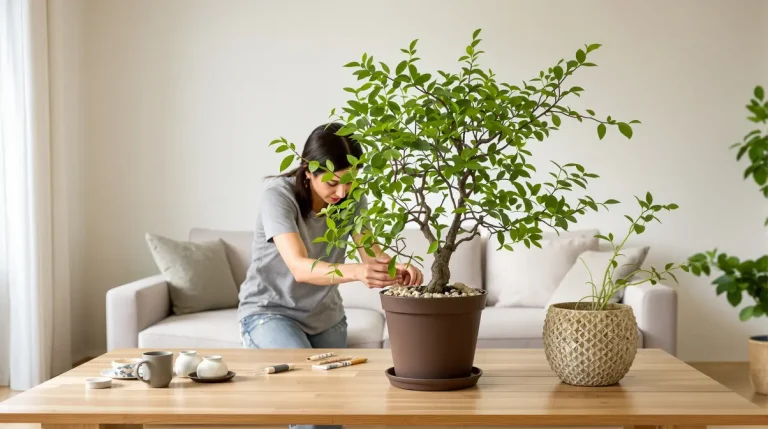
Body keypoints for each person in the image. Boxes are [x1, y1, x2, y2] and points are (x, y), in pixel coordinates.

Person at [238, 123, 424, 424]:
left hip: (326, 317)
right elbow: (299, 267)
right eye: (334, 183)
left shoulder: (351, 197)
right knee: (307, 406)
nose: (343, 192)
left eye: (350, 182)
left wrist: (395, 268)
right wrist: (358, 272)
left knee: (331, 413)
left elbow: (370, 251)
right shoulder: (278, 196)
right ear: (308, 171)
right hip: (269, 312)